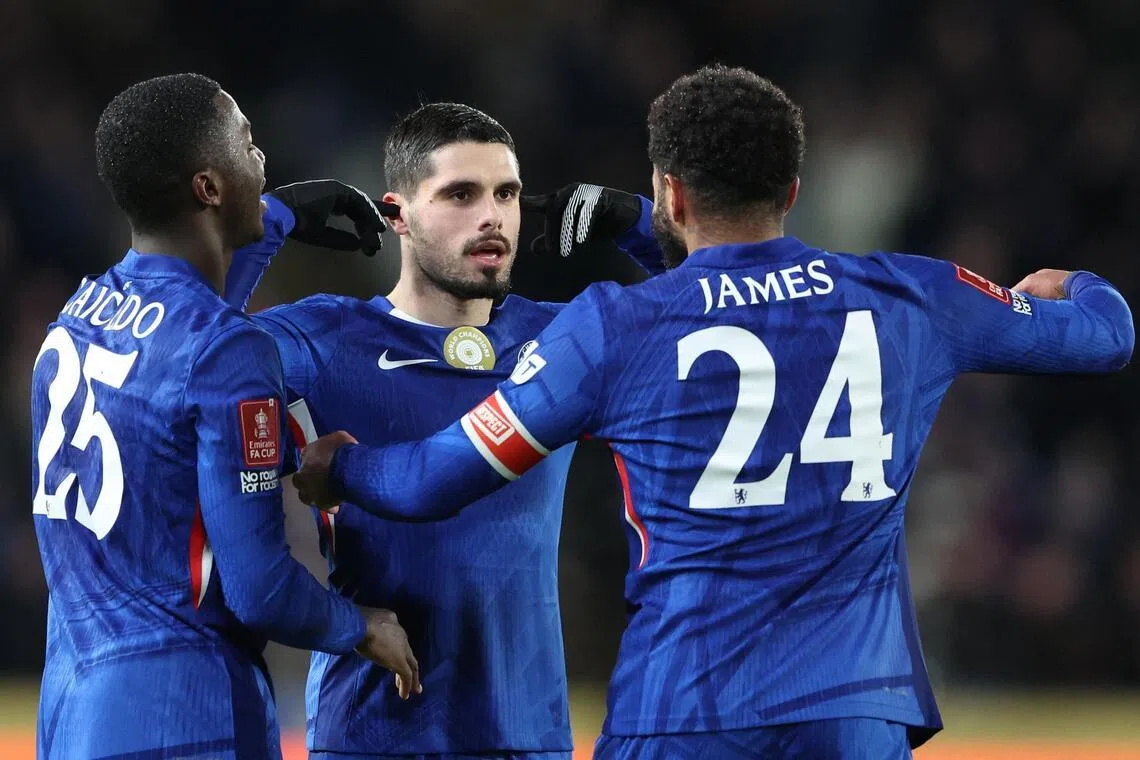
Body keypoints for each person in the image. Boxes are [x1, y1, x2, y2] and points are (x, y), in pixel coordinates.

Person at [293, 65, 1135, 759]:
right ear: (796, 187)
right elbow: (1106, 337)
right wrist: (1073, 286)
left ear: (669, 189)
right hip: (856, 711)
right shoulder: (912, 295)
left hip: (683, 707)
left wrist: (344, 468)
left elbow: (432, 481)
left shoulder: (614, 329)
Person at [221, 101, 662, 759]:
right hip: (368, 736)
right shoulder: (325, 337)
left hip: (527, 738)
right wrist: (272, 221)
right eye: (461, 194)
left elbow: (722, 321)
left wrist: (640, 224)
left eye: (506, 194)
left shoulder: (565, 337)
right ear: (396, 213)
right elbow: (189, 350)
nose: (492, 216)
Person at [31, 72, 419, 760]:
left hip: (71, 713)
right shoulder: (228, 354)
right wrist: (359, 625)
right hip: (187, 716)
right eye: (246, 141)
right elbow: (261, 590)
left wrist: (281, 218)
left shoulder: (76, 318)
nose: (261, 158)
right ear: (208, 187)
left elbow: (187, 328)